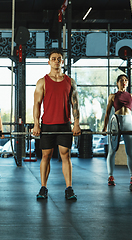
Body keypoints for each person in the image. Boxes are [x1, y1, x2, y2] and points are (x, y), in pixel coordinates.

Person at [33, 49, 81, 200]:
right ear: (49, 62)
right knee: (46, 155)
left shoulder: (70, 82)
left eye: (59, 58)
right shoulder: (42, 82)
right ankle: (43, 188)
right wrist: (36, 124)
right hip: (47, 124)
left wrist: (76, 124)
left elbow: (75, 104)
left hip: (64, 125)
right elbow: (36, 104)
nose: (56, 61)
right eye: (53, 58)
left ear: (62, 61)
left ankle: (69, 188)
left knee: (65, 155)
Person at [102, 74, 132, 186]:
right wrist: (104, 127)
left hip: (128, 122)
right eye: (121, 80)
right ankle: (110, 177)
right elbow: (107, 113)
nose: (123, 82)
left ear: (128, 83)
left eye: (126, 80)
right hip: (115, 123)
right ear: (117, 83)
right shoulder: (112, 96)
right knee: (112, 151)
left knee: (129, 152)